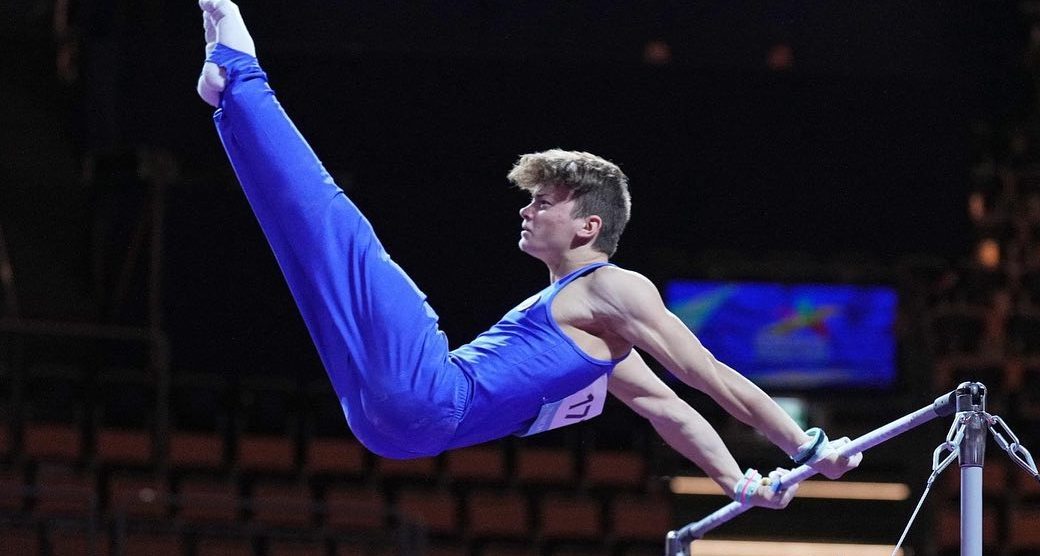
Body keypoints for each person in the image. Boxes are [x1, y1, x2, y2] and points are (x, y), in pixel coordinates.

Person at [196, 0, 861, 509]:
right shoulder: (585, 333)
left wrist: (802, 447)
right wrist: (736, 480)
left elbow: (706, 378)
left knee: (337, 234)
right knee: (304, 252)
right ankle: (231, 97)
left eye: (544, 202)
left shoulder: (614, 290)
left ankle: (243, 72)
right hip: (393, 425)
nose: (527, 209)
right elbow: (670, 414)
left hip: (427, 404)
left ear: (587, 225)